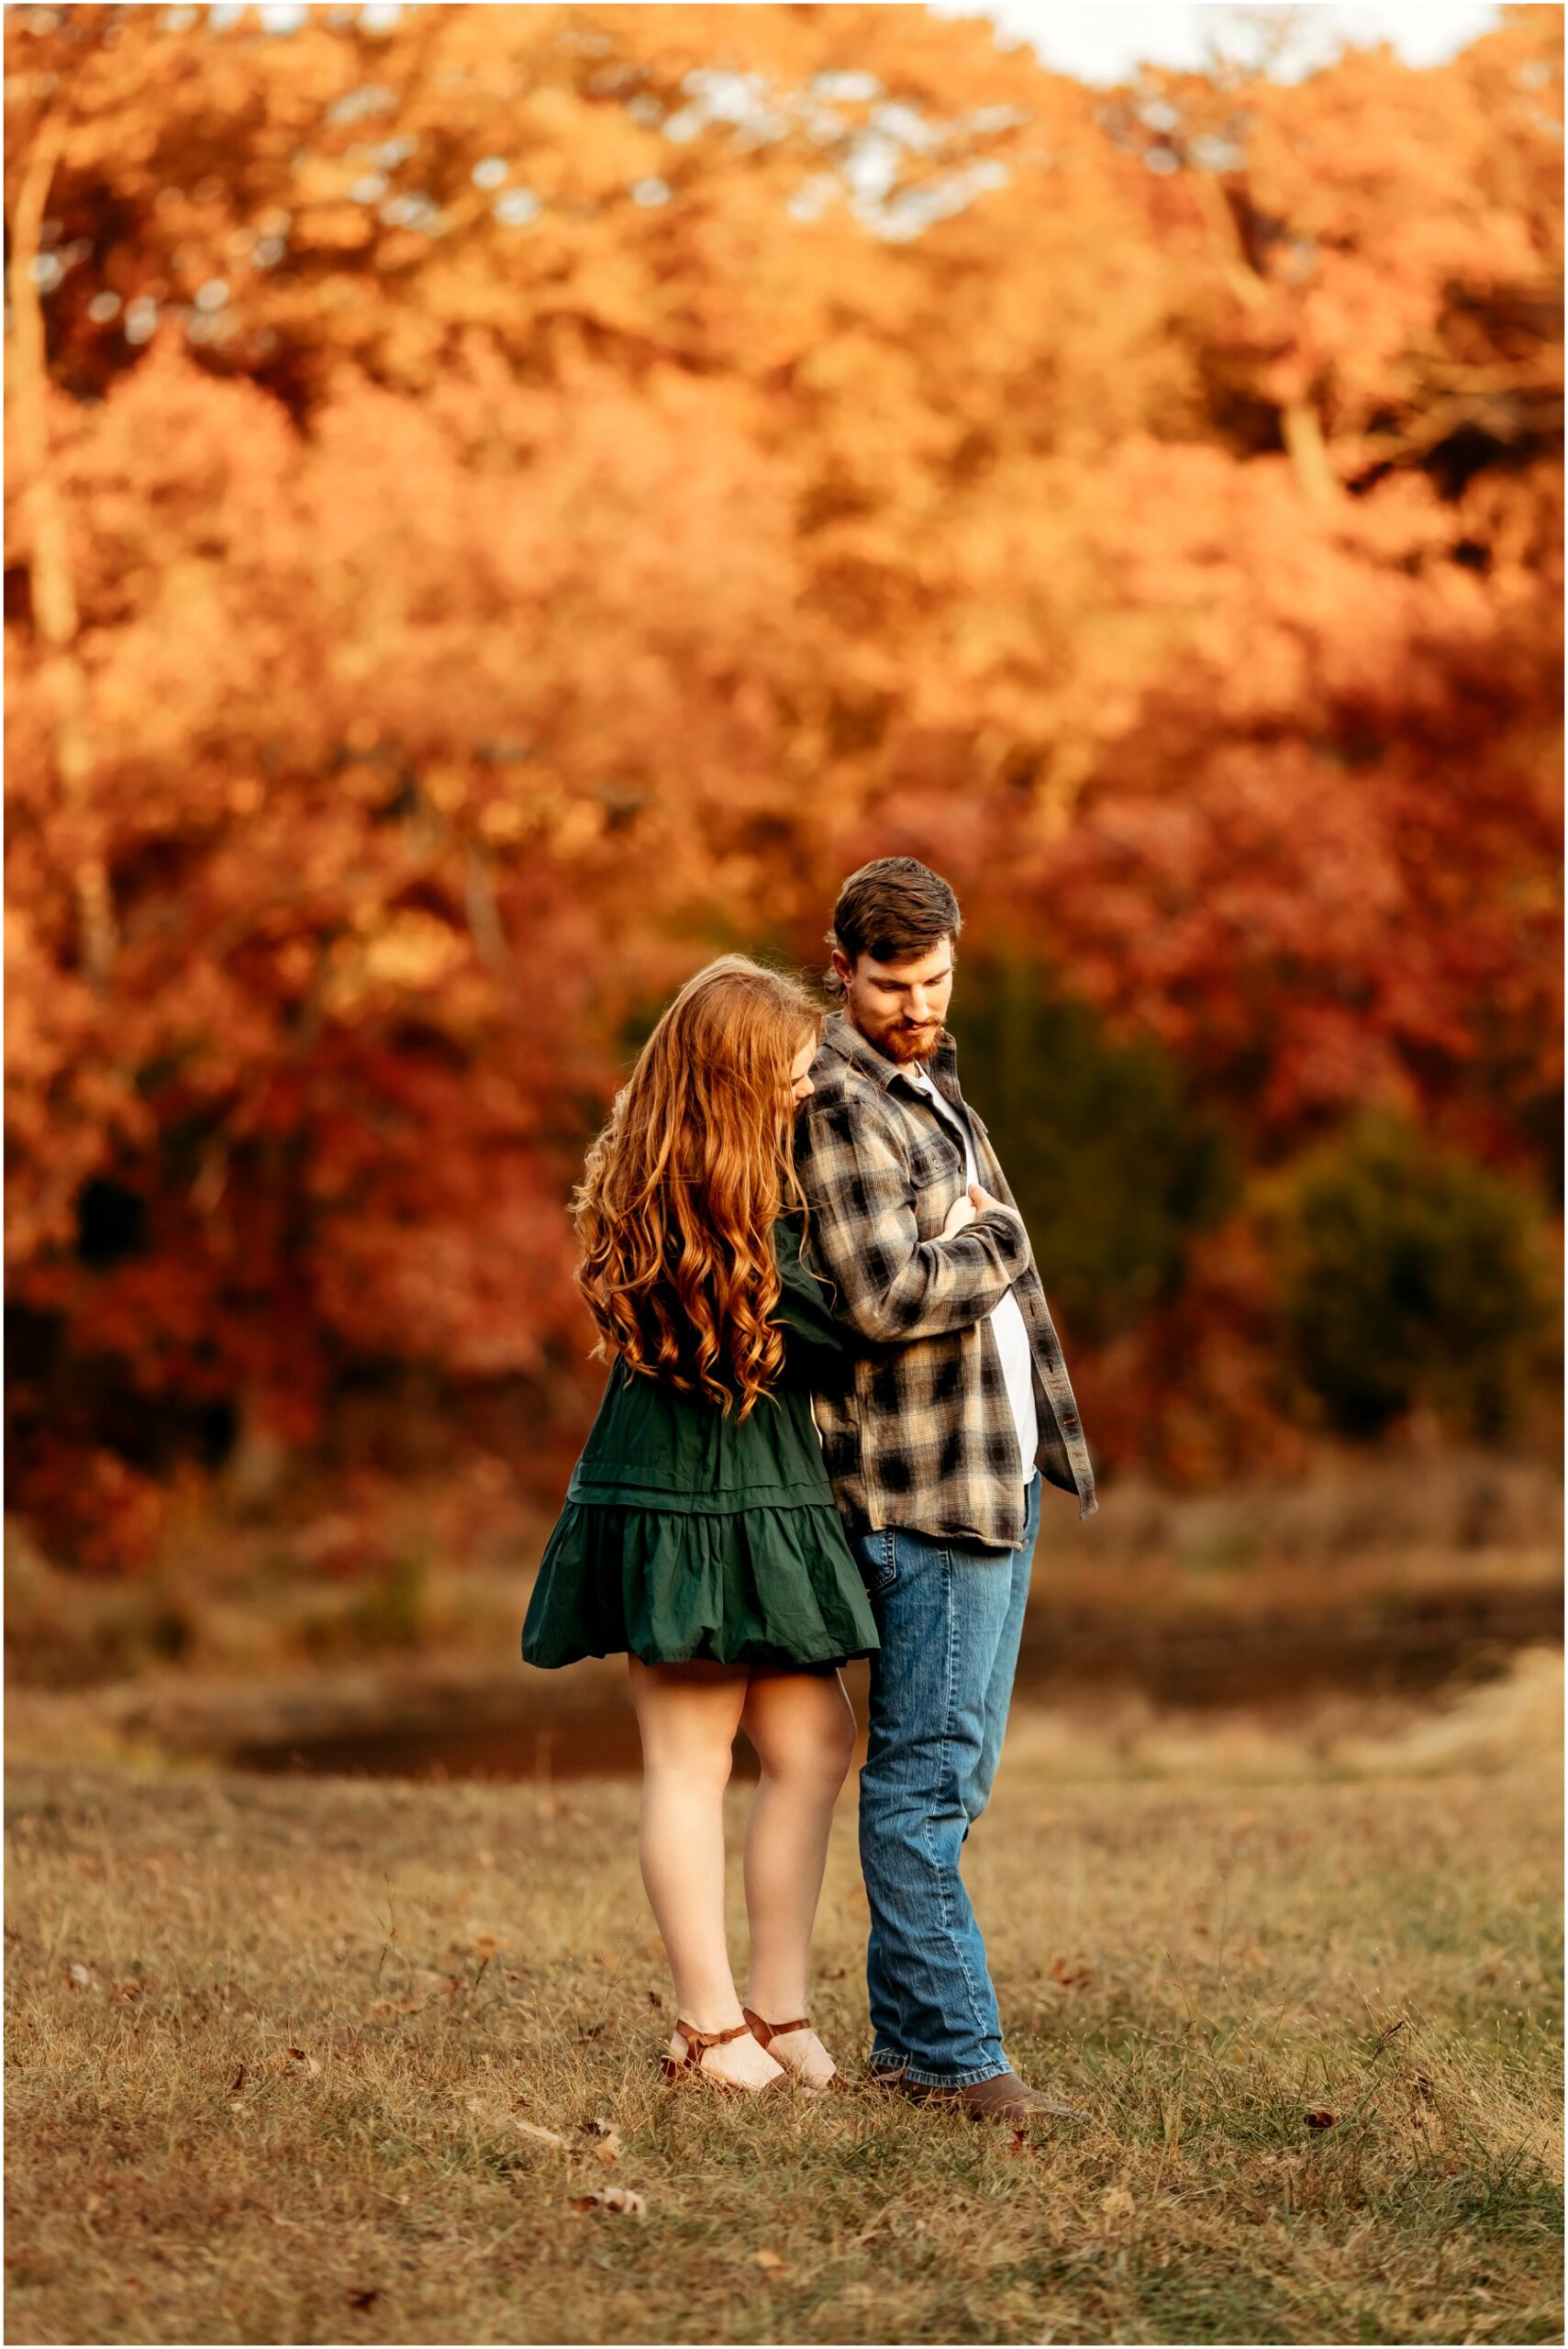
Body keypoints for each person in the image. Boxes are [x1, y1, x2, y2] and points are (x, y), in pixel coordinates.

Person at [521, 955, 877, 2095]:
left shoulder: (737, 1185)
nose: (804, 1090)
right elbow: (831, 1327)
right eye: (787, 1073)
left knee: (814, 1743)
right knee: (685, 1759)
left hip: (756, 1492)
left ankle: (773, 2010)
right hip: (684, 1495)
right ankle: (709, 2026)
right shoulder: (699, 1204)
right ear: (731, 1080)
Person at [793, 857, 1098, 2123]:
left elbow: (949, 1283)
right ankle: (965, 2068)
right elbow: (881, 1299)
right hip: (920, 1496)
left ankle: (910, 2051)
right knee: (921, 1787)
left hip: (990, 1480)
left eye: (934, 979)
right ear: (840, 965)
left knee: (949, 1785)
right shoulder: (835, 1101)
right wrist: (994, 1237)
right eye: (891, 984)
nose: (917, 1004)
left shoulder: (926, 1083)